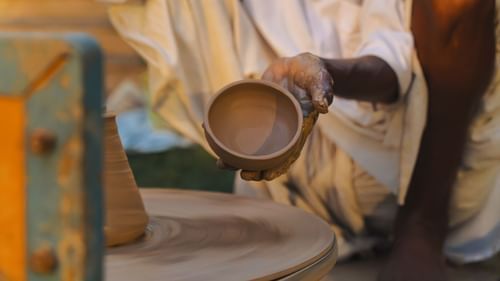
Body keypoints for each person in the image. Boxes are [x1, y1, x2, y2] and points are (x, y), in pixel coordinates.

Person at [108, 0, 499, 280]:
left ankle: (422, 231)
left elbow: (398, 60)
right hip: (290, 170)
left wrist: (327, 74)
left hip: (425, 150)